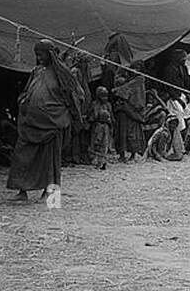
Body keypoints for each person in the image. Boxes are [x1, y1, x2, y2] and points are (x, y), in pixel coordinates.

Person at [7, 39, 85, 201]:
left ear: (50, 54)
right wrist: (24, 101)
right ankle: (22, 191)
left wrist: (67, 115)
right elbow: (28, 90)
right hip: (30, 122)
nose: (39, 58)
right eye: (37, 55)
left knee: (49, 160)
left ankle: (49, 193)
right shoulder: (36, 71)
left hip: (53, 123)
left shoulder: (63, 73)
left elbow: (76, 96)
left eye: (41, 55)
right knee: (22, 155)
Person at [88, 86, 113, 170]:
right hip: (97, 127)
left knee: (104, 145)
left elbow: (111, 117)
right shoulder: (94, 104)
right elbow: (92, 116)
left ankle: (103, 162)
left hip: (106, 127)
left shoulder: (108, 105)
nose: (105, 98)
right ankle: (98, 162)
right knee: (96, 144)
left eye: (106, 96)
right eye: (102, 96)